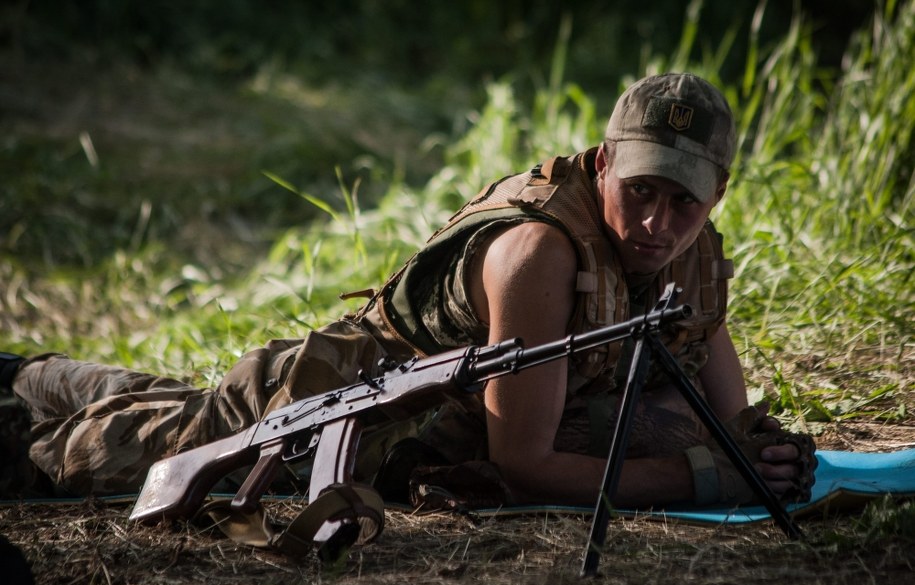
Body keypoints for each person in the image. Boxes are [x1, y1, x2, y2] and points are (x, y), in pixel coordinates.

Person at [0, 73, 816, 510]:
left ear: (716, 195)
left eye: (683, 201)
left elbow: (726, 415)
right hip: (325, 407)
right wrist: (705, 478)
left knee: (156, 403)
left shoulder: (691, 249)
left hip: (409, 420)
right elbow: (524, 465)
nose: (657, 222)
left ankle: (29, 370)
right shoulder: (537, 253)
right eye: (641, 190)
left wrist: (766, 454)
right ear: (602, 164)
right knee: (93, 456)